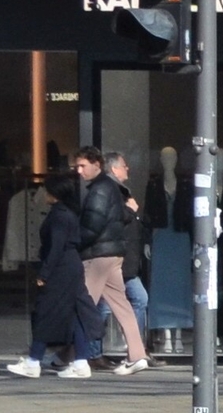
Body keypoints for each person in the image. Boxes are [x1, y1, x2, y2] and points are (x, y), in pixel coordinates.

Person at [8, 174, 99, 378]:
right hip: (70, 266)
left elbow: (55, 247)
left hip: (61, 268)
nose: (43, 193)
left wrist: (44, 273)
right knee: (73, 314)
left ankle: (33, 361)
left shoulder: (59, 215)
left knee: (45, 312)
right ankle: (81, 362)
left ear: (54, 193)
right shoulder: (68, 213)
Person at [73, 146, 146, 374]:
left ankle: (75, 358)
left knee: (80, 304)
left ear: (97, 164)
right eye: (77, 166)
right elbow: (123, 215)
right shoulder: (113, 189)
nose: (79, 171)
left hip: (98, 255)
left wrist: (74, 244)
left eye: (83, 165)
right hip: (113, 254)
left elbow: (92, 225)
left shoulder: (100, 190)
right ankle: (137, 355)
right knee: (122, 307)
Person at [106, 152, 150, 343]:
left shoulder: (121, 190)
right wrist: (131, 210)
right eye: (124, 166)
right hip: (116, 258)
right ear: (114, 169)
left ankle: (136, 347)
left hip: (126, 261)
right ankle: (86, 349)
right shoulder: (111, 191)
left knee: (139, 299)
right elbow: (114, 219)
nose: (127, 169)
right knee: (104, 306)